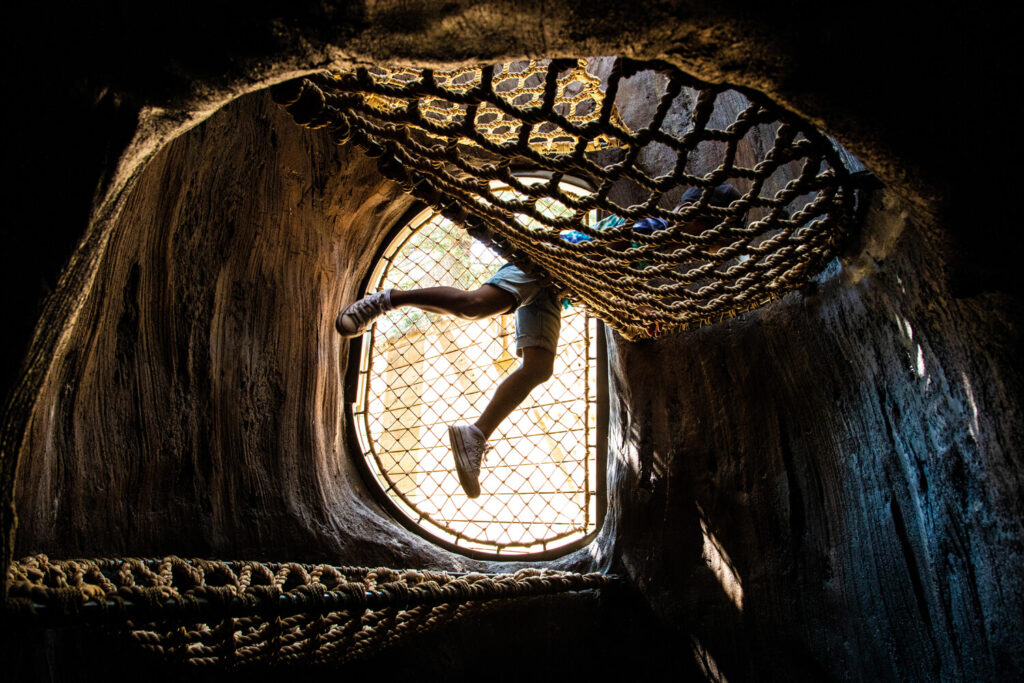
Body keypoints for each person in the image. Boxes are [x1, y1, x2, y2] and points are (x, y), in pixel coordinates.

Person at [336, 183, 741, 498]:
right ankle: (387, 300)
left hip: (557, 290)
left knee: (539, 368)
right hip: (549, 261)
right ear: (699, 217)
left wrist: (634, 310)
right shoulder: (658, 230)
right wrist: (621, 298)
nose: (717, 246)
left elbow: (621, 273)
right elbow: (610, 247)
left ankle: (475, 434)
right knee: (477, 304)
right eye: (719, 233)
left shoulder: (667, 248)